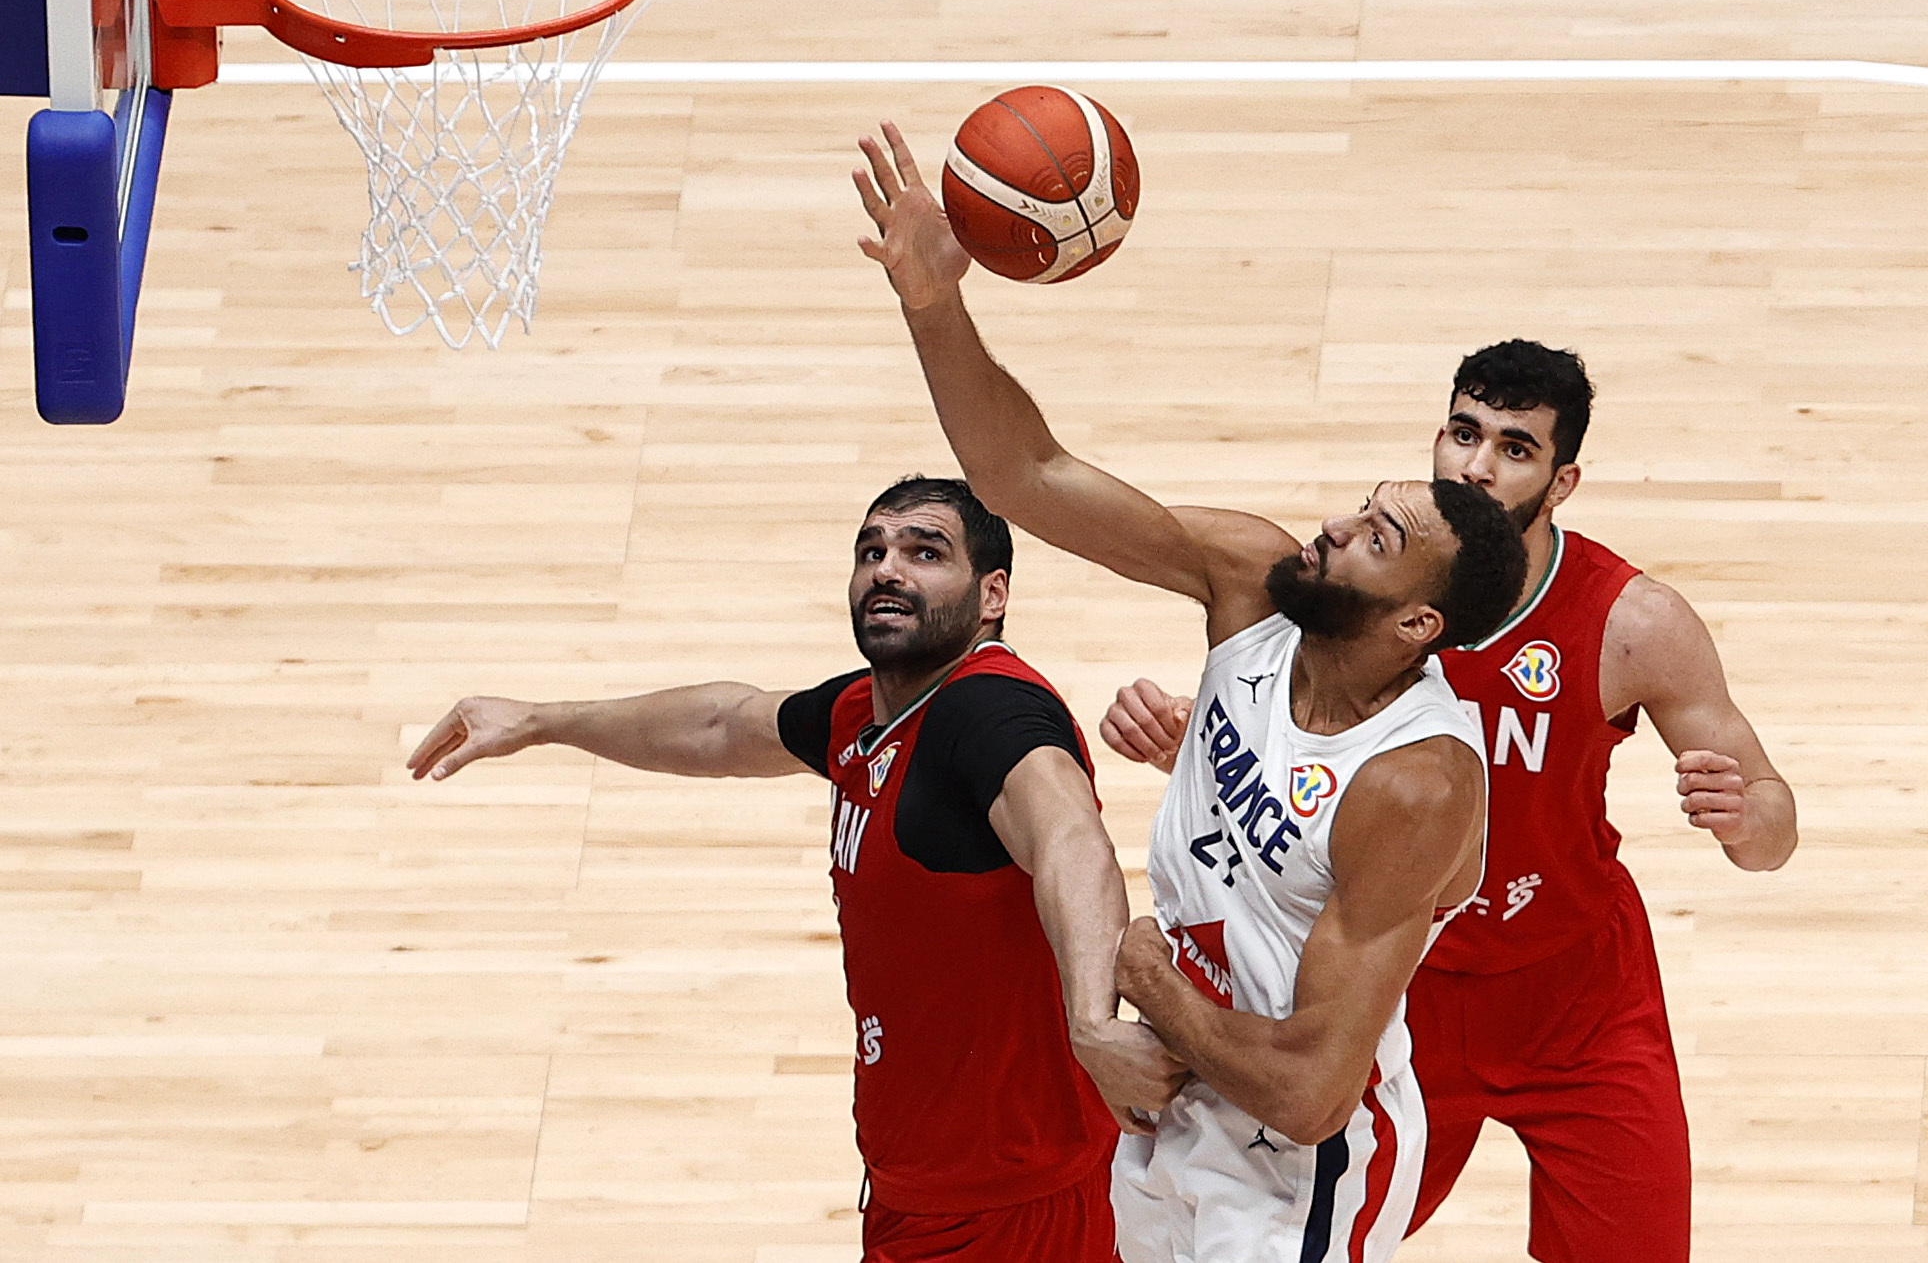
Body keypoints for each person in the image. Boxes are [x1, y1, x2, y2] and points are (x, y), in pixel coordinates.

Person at [852, 122, 1529, 1262]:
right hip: (1172, 1105)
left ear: (1418, 624)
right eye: (1361, 506)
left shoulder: (1417, 781)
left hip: (1290, 1172)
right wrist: (932, 300)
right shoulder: (1253, 582)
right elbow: (1028, 475)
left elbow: (1311, 1091)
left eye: (1374, 538)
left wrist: (1144, 979)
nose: (1333, 526)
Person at [1099, 339, 1801, 1263]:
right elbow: (1295, 749)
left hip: (1576, 997)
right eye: (1464, 434)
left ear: (1563, 482)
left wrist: (1749, 817)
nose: (1477, 465)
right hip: (1400, 996)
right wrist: (1195, 741)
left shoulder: (1634, 622)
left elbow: (1772, 825)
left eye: (1515, 448)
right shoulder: (1369, 591)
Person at [406, 475, 1185, 1263]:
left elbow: (1071, 841)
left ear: (992, 595)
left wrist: (1094, 1024)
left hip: (1012, 1208)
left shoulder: (986, 713)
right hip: (929, 1186)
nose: (888, 569)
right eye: (871, 551)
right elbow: (721, 724)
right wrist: (540, 721)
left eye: (925, 553)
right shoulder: (869, 716)